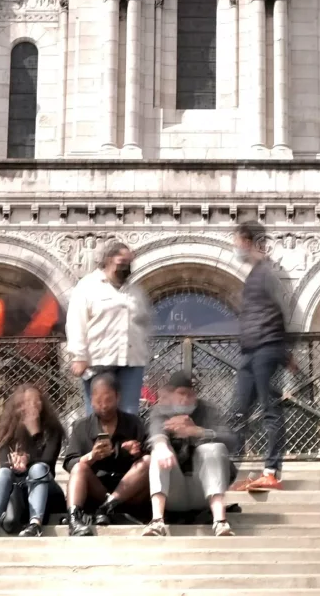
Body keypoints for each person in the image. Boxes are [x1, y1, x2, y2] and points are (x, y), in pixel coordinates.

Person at [232, 220, 293, 493]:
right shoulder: (256, 273)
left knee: (270, 410)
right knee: (237, 412)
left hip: (266, 348)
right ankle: (232, 472)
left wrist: (284, 351)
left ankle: (271, 472)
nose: (235, 246)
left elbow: (282, 311)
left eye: (237, 240)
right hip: (250, 350)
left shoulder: (267, 273)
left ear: (247, 241)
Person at [63, 241, 150, 418]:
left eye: (129, 262)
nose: (127, 266)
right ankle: (98, 445)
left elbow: (143, 320)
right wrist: (79, 356)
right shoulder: (88, 286)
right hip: (99, 360)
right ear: (109, 260)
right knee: (99, 411)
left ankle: (125, 446)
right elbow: (76, 321)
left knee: (129, 413)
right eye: (122, 261)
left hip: (132, 360)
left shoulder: (134, 290)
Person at [144, 370, 236, 537]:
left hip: (203, 491)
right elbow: (155, 432)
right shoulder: (161, 411)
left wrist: (198, 431)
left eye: (190, 394)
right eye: (181, 393)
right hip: (174, 491)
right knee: (159, 451)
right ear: (171, 394)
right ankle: (157, 521)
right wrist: (162, 445)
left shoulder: (208, 410)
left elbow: (231, 440)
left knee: (213, 448)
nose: (185, 399)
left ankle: (220, 521)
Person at [63, 371, 147, 535]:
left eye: (108, 399)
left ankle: (109, 506)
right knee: (80, 468)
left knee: (148, 461)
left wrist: (136, 452)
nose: (103, 405)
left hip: (128, 490)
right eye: (98, 400)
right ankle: (74, 520)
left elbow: (148, 453)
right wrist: (91, 457)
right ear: (91, 400)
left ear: (118, 397)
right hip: (97, 489)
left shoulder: (133, 423)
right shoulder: (81, 426)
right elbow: (69, 463)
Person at [0, 382, 63, 537]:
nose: (32, 406)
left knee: (38, 469)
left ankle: (35, 524)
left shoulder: (53, 430)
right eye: (26, 403)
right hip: (18, 488)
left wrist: (35, 434)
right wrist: (14, 464)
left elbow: (47, 464)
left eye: (36, 401)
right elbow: (4, 464)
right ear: (18, 407)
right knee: (3, 473)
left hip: (46, 486)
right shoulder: (8, 431)